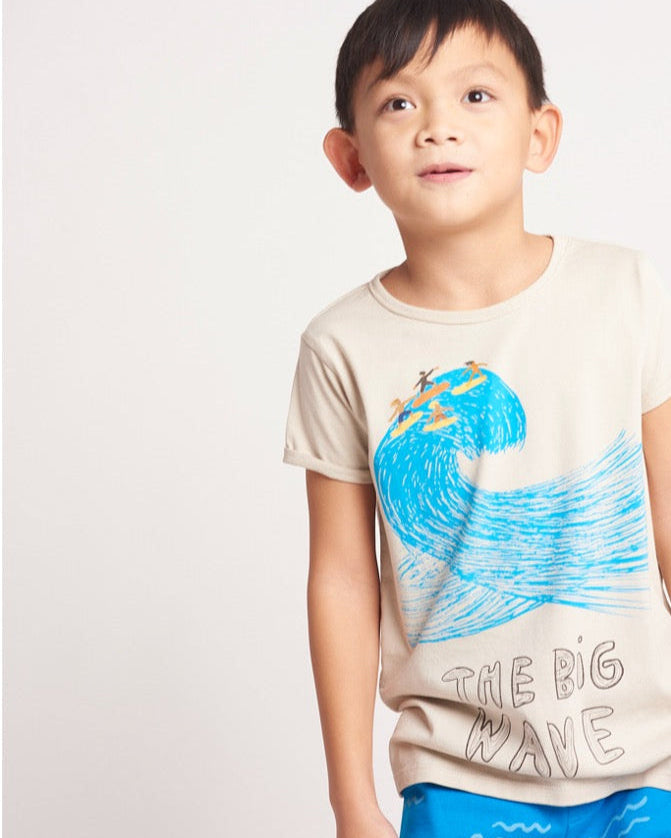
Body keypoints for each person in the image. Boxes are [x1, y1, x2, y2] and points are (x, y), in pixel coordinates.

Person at [282, 1, 671, 836]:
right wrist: (351, 801)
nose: (437, 127)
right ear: (351, 158)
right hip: (457, 775)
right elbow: (342, 578)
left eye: (475, 96)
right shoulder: (341, 345)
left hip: (651, 763)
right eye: (398, 102)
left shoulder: (624, 291)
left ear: (539, 134)